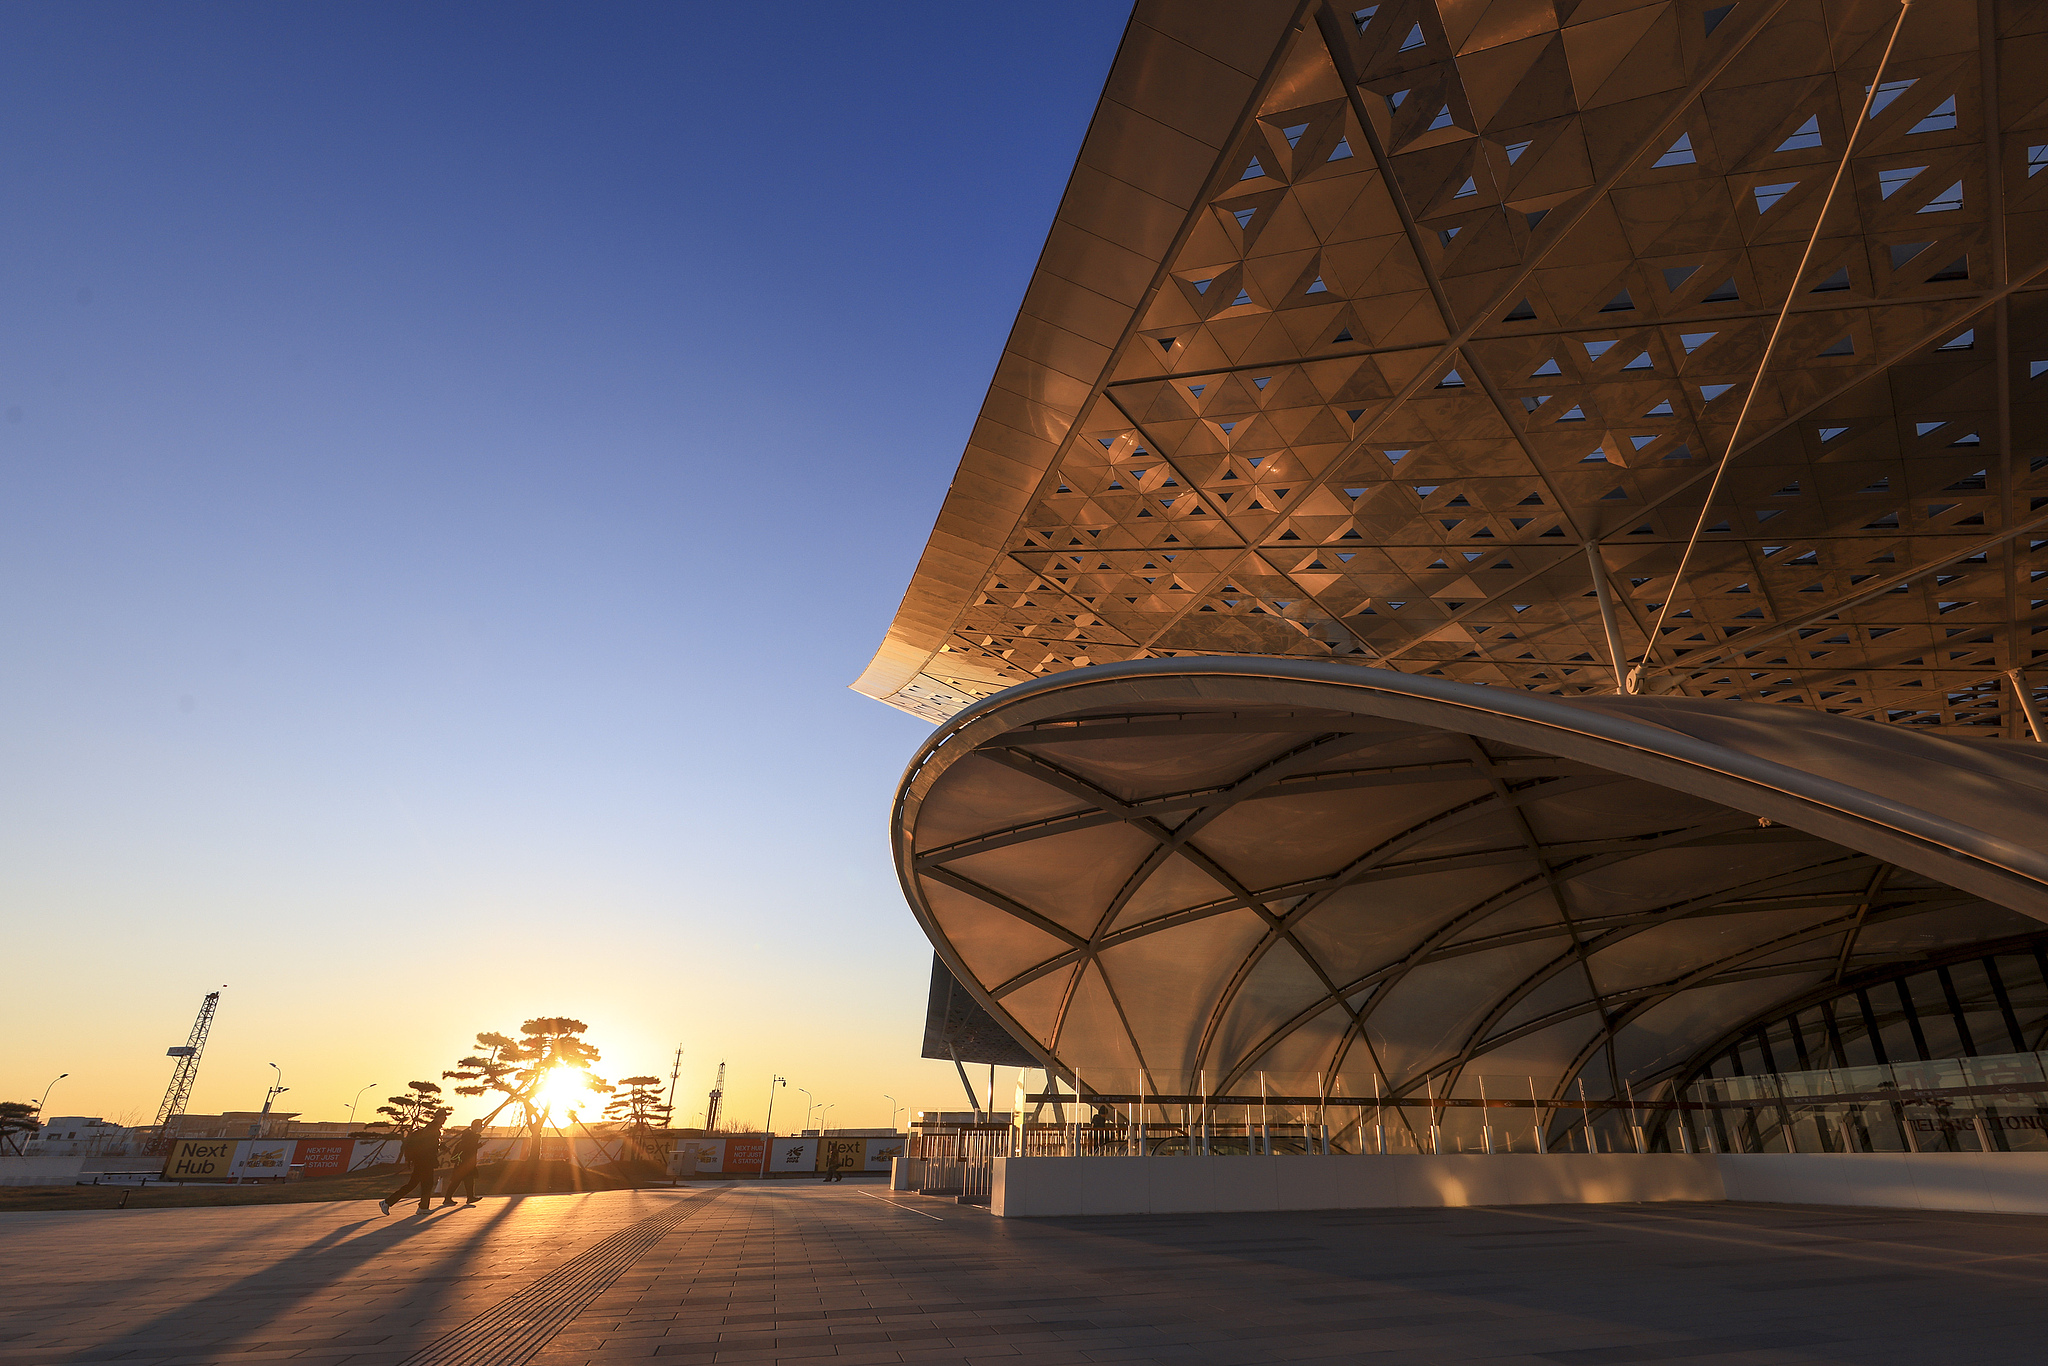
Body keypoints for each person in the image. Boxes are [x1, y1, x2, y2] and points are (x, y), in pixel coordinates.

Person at [378, 1118, 443, 1215]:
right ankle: (387, 1202)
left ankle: (423, 1207)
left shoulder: (430, 1128)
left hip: (423, 1162)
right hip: (424, 1162)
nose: (444, 1120)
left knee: (425, 1184)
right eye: (443, 1117)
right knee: (417, 1184)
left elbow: (430, 1145)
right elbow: (428, 1146)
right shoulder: (432, 1129)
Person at [441, 1119, 484, 1207]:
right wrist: (479, 1145)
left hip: (465, 1162)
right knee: (457, 1181)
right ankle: (448, 1198)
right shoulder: (470, 1136)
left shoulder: (468, 1135)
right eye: (480, 1126)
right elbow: (469, 1148)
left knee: (468, 1180)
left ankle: (469, 1197)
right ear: (475, 1126)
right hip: (464, 1162)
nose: (481, 1127)